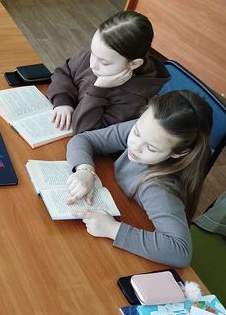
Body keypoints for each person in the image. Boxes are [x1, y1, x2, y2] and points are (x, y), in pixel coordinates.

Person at [65, 90, 213, 268]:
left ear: (178, 153)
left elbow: (180, 252)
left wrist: (113, 229)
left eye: (151, 148)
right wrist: (85, 169)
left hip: (138, 249)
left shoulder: (160, 189)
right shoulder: (148, 131)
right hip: (121, 202)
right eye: (136, 132)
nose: (135, 146)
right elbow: (83, 140)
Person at [47, 10, 170, 134]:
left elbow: (86, 132)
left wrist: (99, 90)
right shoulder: (101, 53)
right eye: (93, 53)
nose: (92, 65)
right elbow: (63, 72)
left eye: (104, 63)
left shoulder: (135, 99)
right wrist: (62, 102)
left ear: (134, 64)